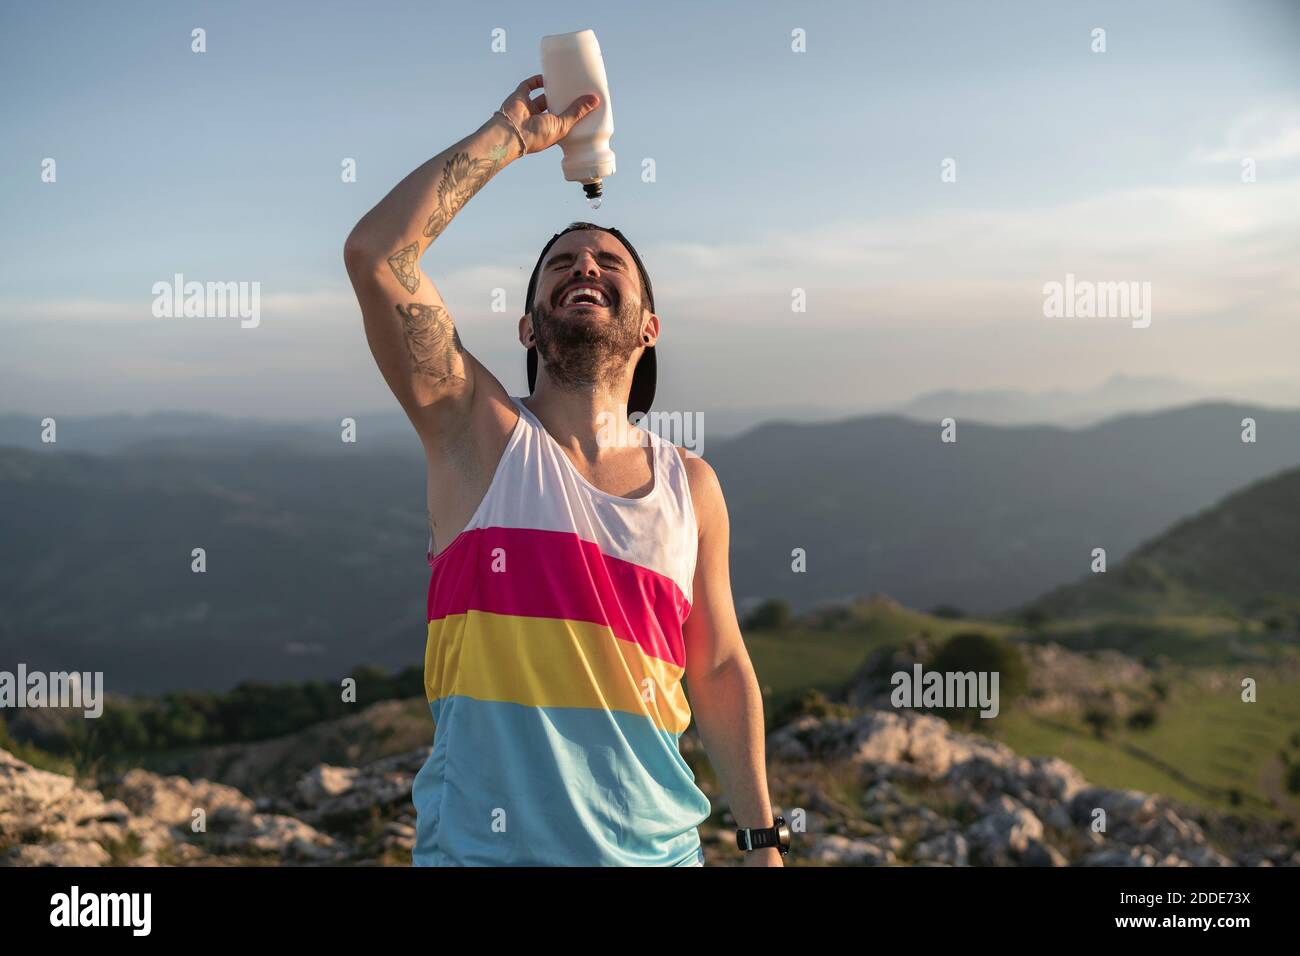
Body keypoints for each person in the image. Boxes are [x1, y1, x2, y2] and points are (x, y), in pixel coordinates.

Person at [343, 75, 784, 866]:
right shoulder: (474, 432)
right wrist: (509, 138)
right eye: (562, 261)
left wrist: (760, 840)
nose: (585, 261)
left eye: (608, 259)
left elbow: (717, 667)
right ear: (526, 324)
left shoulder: (694, 487)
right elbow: (379, 255)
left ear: (649, 327)